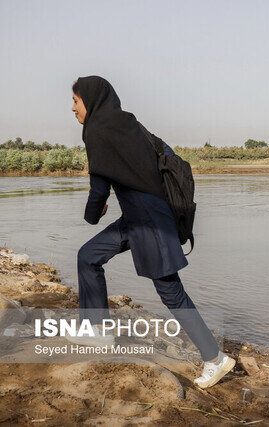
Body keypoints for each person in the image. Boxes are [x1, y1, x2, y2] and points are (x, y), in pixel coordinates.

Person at [69, 76, 234, 388]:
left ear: (90, 100)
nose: (72, 108)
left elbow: (99, 187)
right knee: (88, 256)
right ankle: (96, 332)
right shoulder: (127, 122)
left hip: (149, 221)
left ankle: (215, 358)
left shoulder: (96, 130)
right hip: (141, 216)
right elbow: (163, 153)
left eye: (76, 101)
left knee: (170, 290)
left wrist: (92, 216)